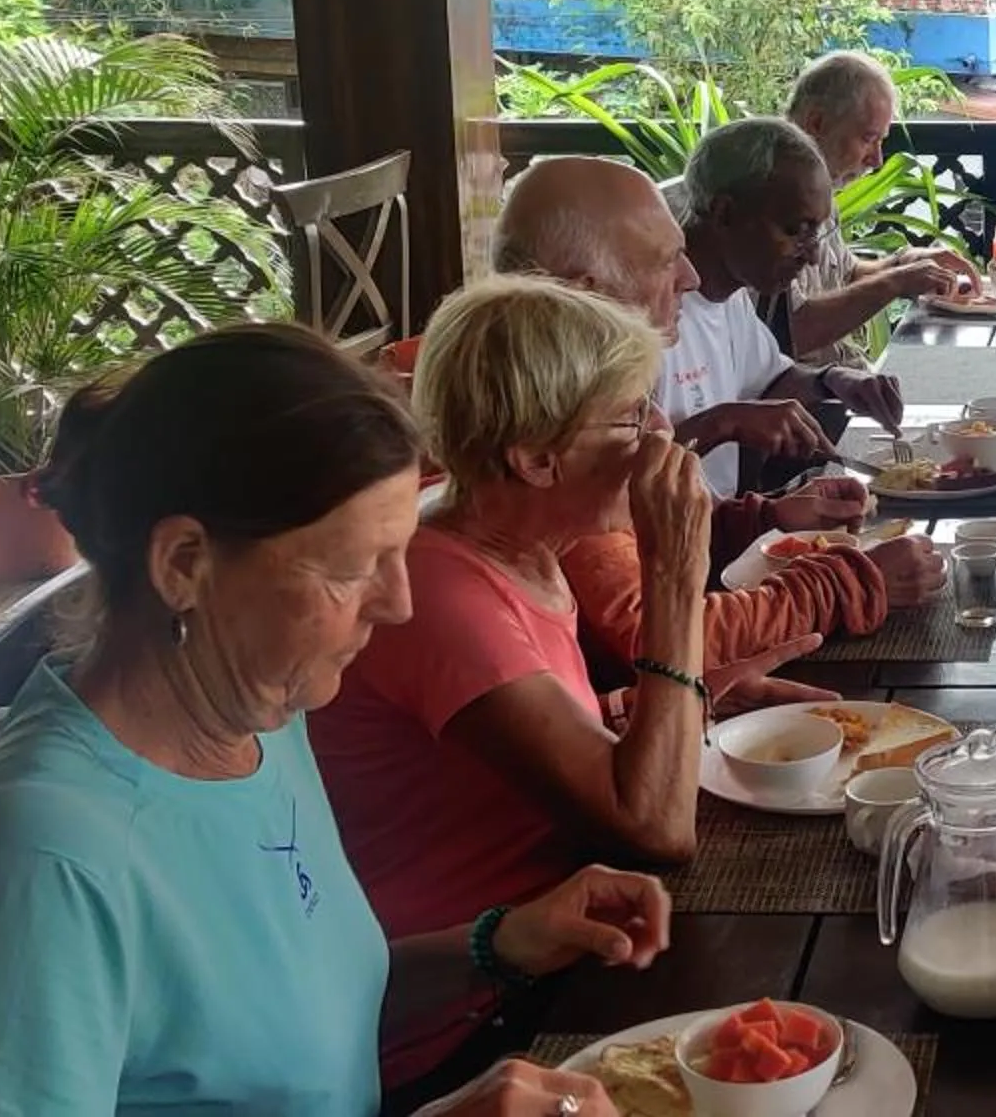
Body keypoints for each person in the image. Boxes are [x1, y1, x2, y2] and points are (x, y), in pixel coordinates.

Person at [0, 325, 662, 1117]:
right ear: (185, 565)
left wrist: (502, 942)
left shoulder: (263, 722)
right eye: (351, 567)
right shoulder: (41, 862)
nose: (398, 602)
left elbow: (285, 1024)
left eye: (400, 553)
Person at [310, 277, 932, 1091]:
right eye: (634, 417)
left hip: (564, 933)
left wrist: (654, 704)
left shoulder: (520, 549)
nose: (664, 438)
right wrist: (677, 572)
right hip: (466, 1028)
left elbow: (500, 751)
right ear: (535, 457)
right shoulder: (444, 595)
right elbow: (653, 826)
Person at [486, 157, 942, 646]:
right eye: (664, 261)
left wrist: (768, 519)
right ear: (585, 292)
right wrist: (851, 583)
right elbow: (659, 635)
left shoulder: (600, 386)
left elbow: (649, 532)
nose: (691, 278)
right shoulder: (551, 422)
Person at [668, 117, 906, 497]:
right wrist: (723, 423)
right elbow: (612, 479)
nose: (812, 256)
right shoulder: (647, 314)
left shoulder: (730, 297)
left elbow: (769, 379)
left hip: (728, 523)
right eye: (796, 230)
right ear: (724, 212)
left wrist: (833, 380)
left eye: (818, 232)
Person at [773, 50, 978, 366]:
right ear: (816, 123)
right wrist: (895, 282)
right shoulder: (768, 202)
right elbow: (792, 331)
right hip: (808, 400)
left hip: (841, 381)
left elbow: (846, 275)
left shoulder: (816, 186)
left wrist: (903, 263)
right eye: (868, 139)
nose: (877, 160)